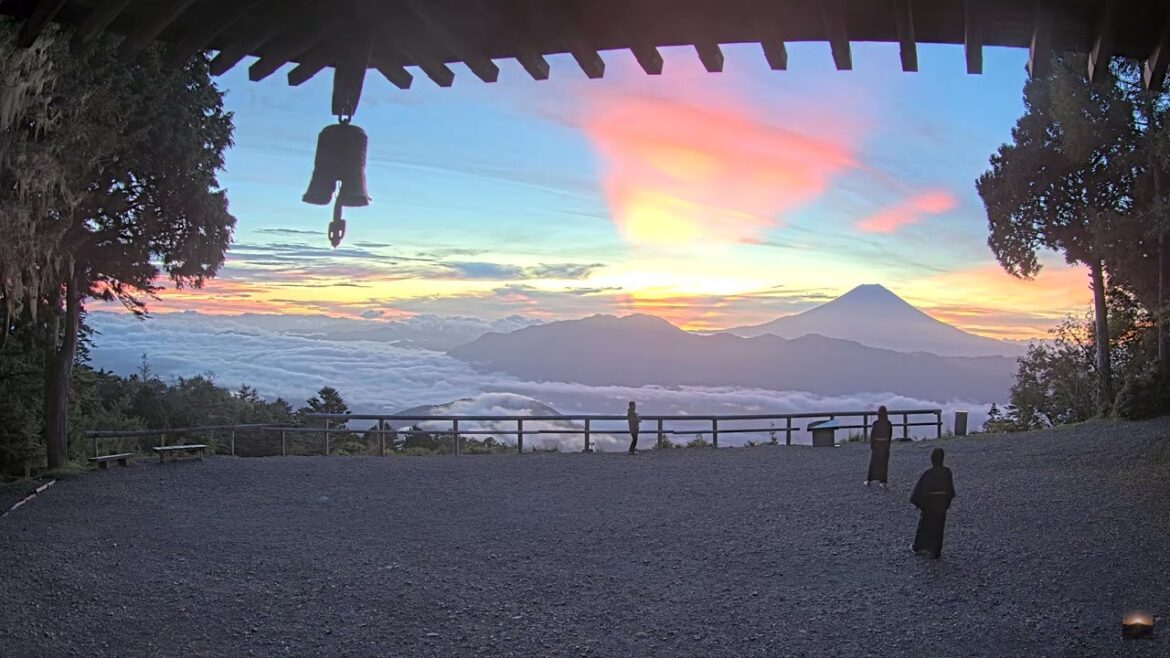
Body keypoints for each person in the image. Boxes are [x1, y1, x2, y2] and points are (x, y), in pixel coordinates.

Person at [911, 448, 956, 559]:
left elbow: (919, 491)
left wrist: (919, 504)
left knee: (924, 526)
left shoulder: (928, 473)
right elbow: (950, 491)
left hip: (929, 505)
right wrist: (946, 503)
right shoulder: (947, 472)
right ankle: (936, 551)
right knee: (938, 528)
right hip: (941, 505)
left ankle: (918, 547)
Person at [865, 406, 893, 488]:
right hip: (884, 445)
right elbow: (889, 435)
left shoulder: (876, 423)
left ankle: (869, 479)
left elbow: (873, 435)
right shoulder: (888, 423)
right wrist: (888, 445)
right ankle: (883, 481)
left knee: (873, 463)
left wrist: (872, 444)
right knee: (883, 464)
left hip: (877, 445)